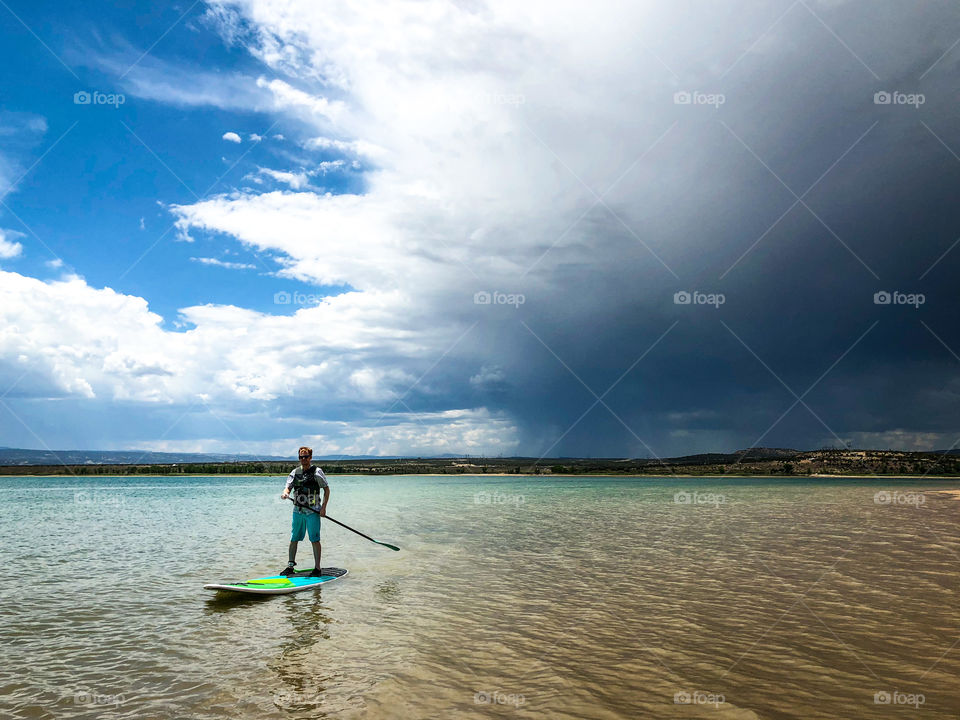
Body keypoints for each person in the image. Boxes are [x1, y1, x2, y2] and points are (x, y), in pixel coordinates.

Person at [279, 446, 329, 577]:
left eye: (306, 457)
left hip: (313, 511)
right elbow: (288, 487)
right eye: (301, 457)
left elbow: (327, 490)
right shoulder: (295, 472)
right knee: (294, 538)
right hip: (298, 511)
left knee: (314, 539)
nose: (303, 459)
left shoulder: (317, 472)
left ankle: (317, 568)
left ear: (310, 457)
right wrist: (285, 493)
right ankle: (290, 566)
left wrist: (323, 508)